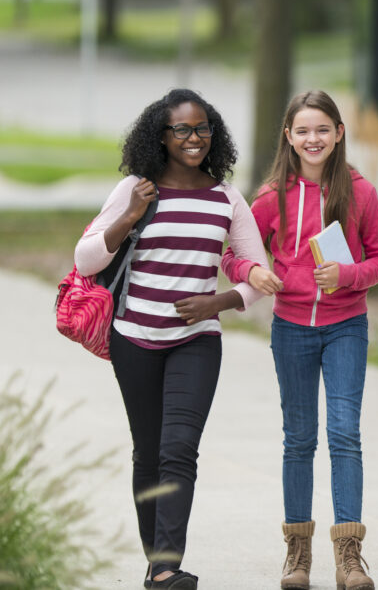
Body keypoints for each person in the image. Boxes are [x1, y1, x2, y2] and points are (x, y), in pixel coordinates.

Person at [74, 88, 271, 590]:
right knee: (149, 452)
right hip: (134, 336)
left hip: (197, 340)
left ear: (215, 134)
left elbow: (259, 277)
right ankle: (156, 559)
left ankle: (165, 566)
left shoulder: (226, 197)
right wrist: (127, 217)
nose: (194, 138)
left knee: (179, 449)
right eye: (181, 129)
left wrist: (218, 302)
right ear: (160, 136)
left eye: (202, 128)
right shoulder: (135, 190)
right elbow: (85, 260)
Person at [221, 90, 378, 590]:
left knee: (344, 435)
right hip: (291, 327)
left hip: (346, 326)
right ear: (289, 137)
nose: (312, 138)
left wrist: (347, 274)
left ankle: (349, 557)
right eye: (303, 130)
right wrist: (253, 270)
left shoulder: (360, 192)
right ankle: (297, 555)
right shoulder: (271, 196)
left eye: (322, 129)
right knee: (298, 439)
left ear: (339, 133)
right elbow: (232, 255)